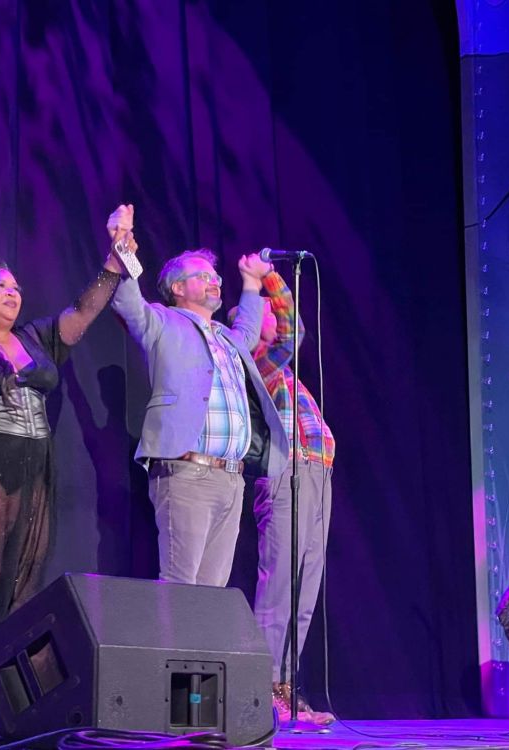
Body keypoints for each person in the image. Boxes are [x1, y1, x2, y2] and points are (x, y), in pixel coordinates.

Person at [0, 232, 129, 648]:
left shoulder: (37, 338)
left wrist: (113, 267)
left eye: (16, 287)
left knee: (25, 572)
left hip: (33, 466)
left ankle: (8, 682)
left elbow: (84, 312)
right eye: (0, 285)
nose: (13, 292)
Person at [107, 205, 289, 587]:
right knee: (180, 589)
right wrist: (122, 243)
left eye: (216, 276)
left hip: (230, 479)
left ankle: (195, 652)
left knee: (211, 598)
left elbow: (250, 330)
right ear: (177, 288)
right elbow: (127, 302)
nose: (214, 281)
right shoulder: (162, 321)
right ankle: (169, 651)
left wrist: (252, 283)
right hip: (187, 471)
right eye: (203, 276)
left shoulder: (227, 337)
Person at [229, 271, 335, 725]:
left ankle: (285, 690)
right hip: (288, 474)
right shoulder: (257, 363)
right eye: (265, 316)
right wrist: (271, 277)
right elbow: (294, 333)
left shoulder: (284, 373)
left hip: (317, 474)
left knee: (304, 591)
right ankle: (262, 688)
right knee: (278, 591)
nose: (274, 319)